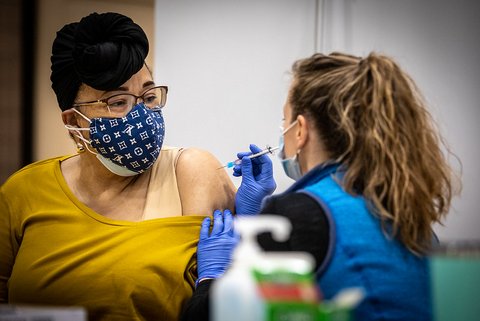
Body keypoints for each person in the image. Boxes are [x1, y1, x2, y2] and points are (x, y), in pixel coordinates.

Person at [181, 52, 457, 321]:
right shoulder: (399, 206)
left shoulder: (299, 216)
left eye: (284, 120)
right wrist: (257, 223)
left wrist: (212, 277)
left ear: (300, 130)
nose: (282, 130)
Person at [0, 12, 236, 321]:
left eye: (149, 97)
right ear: (74, 122)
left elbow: (235, 297)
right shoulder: (24, 191)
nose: (141, 115)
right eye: (117, 102)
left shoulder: (190, 172)